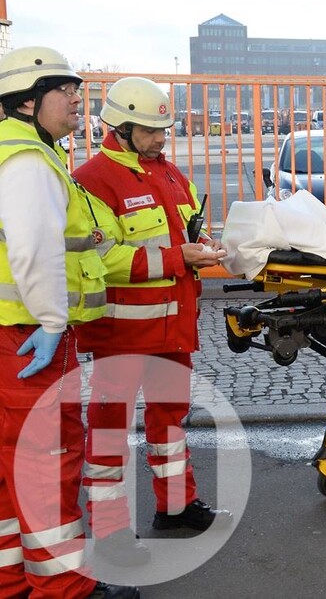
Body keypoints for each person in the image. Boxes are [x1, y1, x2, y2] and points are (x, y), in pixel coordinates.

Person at [73, 77, 231, 567]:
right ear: (119, 128)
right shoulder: (93, 180)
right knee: (108, 432)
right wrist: (180, 256)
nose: (161, 138)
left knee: (170, 422)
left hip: (171, 327)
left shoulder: (169, 174)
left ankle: (176, 507)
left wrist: (204, 250)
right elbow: (105, 258)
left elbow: (187, 231)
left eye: (165, 128)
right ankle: (111, 533)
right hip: (121, 330)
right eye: (150, 130)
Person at [0, 47, 138, 598]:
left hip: (11, 332)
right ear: (29, 100)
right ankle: (65, 590)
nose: (77, 100)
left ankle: (11, 581)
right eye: (66, 90)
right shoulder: (28, 160)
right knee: (45, 461)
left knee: (12, 466)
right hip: (29, 333)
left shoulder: (16, 149)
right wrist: (55, 320)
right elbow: (34, 251)